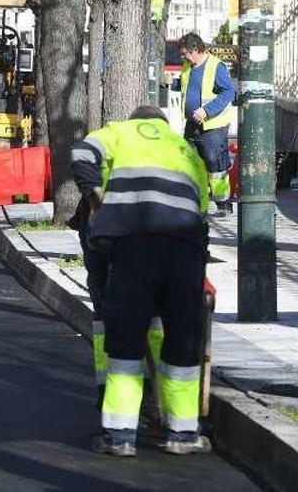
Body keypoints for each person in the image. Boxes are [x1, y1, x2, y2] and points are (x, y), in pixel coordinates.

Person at [71, 105, 212, 458]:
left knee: (125, 340)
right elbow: (203, 207)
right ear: (163, 125)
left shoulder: (120, 132)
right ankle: (183, 435)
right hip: (184, 249)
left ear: (137, 120)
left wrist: (96, 200)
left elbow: (81, 153)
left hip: (135, 247)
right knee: (182, 341)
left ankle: (119, 437)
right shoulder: (184, 148)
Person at [177, 32, 236, 215]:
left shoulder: (215, 66)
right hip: (192, 124)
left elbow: (228, 93)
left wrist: (206, 110)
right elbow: (188, 89)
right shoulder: (188, 66)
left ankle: (223, 205)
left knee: (215, 164)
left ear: (195, 50)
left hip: (213, 125)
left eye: (184, 53)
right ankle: (193, 203)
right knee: (188, 162)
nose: (182, 56)